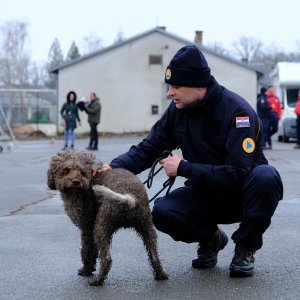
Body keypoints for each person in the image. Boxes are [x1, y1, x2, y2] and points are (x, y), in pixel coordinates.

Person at [97, 46, 283, 278]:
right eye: (169, 86)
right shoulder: (177, 111)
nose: (169, 93)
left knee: (266, 177)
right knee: (163, 212)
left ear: (198, 85)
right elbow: (149, 148)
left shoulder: (238, 113)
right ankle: (211, 238)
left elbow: (239, 173)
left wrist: (184, 168)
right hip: (206, 193)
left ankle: (246, 247)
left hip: (243, 196)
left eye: (176, 87)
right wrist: (114, 167)